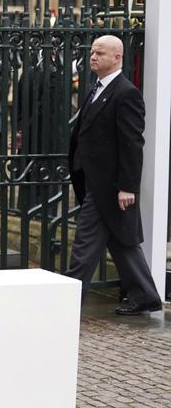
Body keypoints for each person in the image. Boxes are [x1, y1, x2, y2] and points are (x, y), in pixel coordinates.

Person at [66, 35, 161, 315]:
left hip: (108, 184)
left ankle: (69, 297)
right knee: (121, 240)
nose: (93, 57)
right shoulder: (97, 87)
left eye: (100, 53)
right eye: (93, 52)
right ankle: (144, 294)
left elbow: (132, 144)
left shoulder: (125, 93)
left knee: (85, 243)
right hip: (94, 179)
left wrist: (128, 187)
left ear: (117, 58)